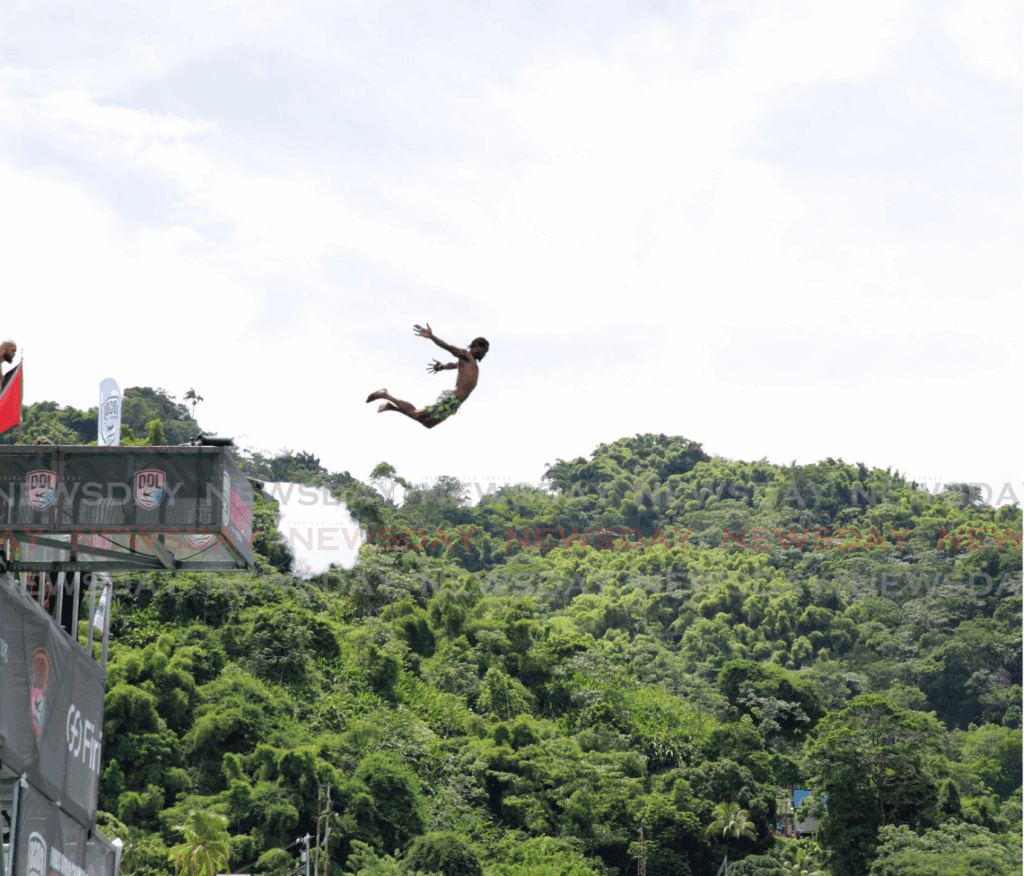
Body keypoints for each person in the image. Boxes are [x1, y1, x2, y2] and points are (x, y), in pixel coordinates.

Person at [367, 324, 489, 428]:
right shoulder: (466, 355)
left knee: (428, 424)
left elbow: (453, 365)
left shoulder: (471, 363)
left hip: (455, 405)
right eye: (484, 350)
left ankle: (392, 407)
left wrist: (441, 367)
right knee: (417, 414)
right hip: (451, 399)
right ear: (477, 346)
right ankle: (384, 394)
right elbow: (449, 348)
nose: (485, 354)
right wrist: (432, 337)